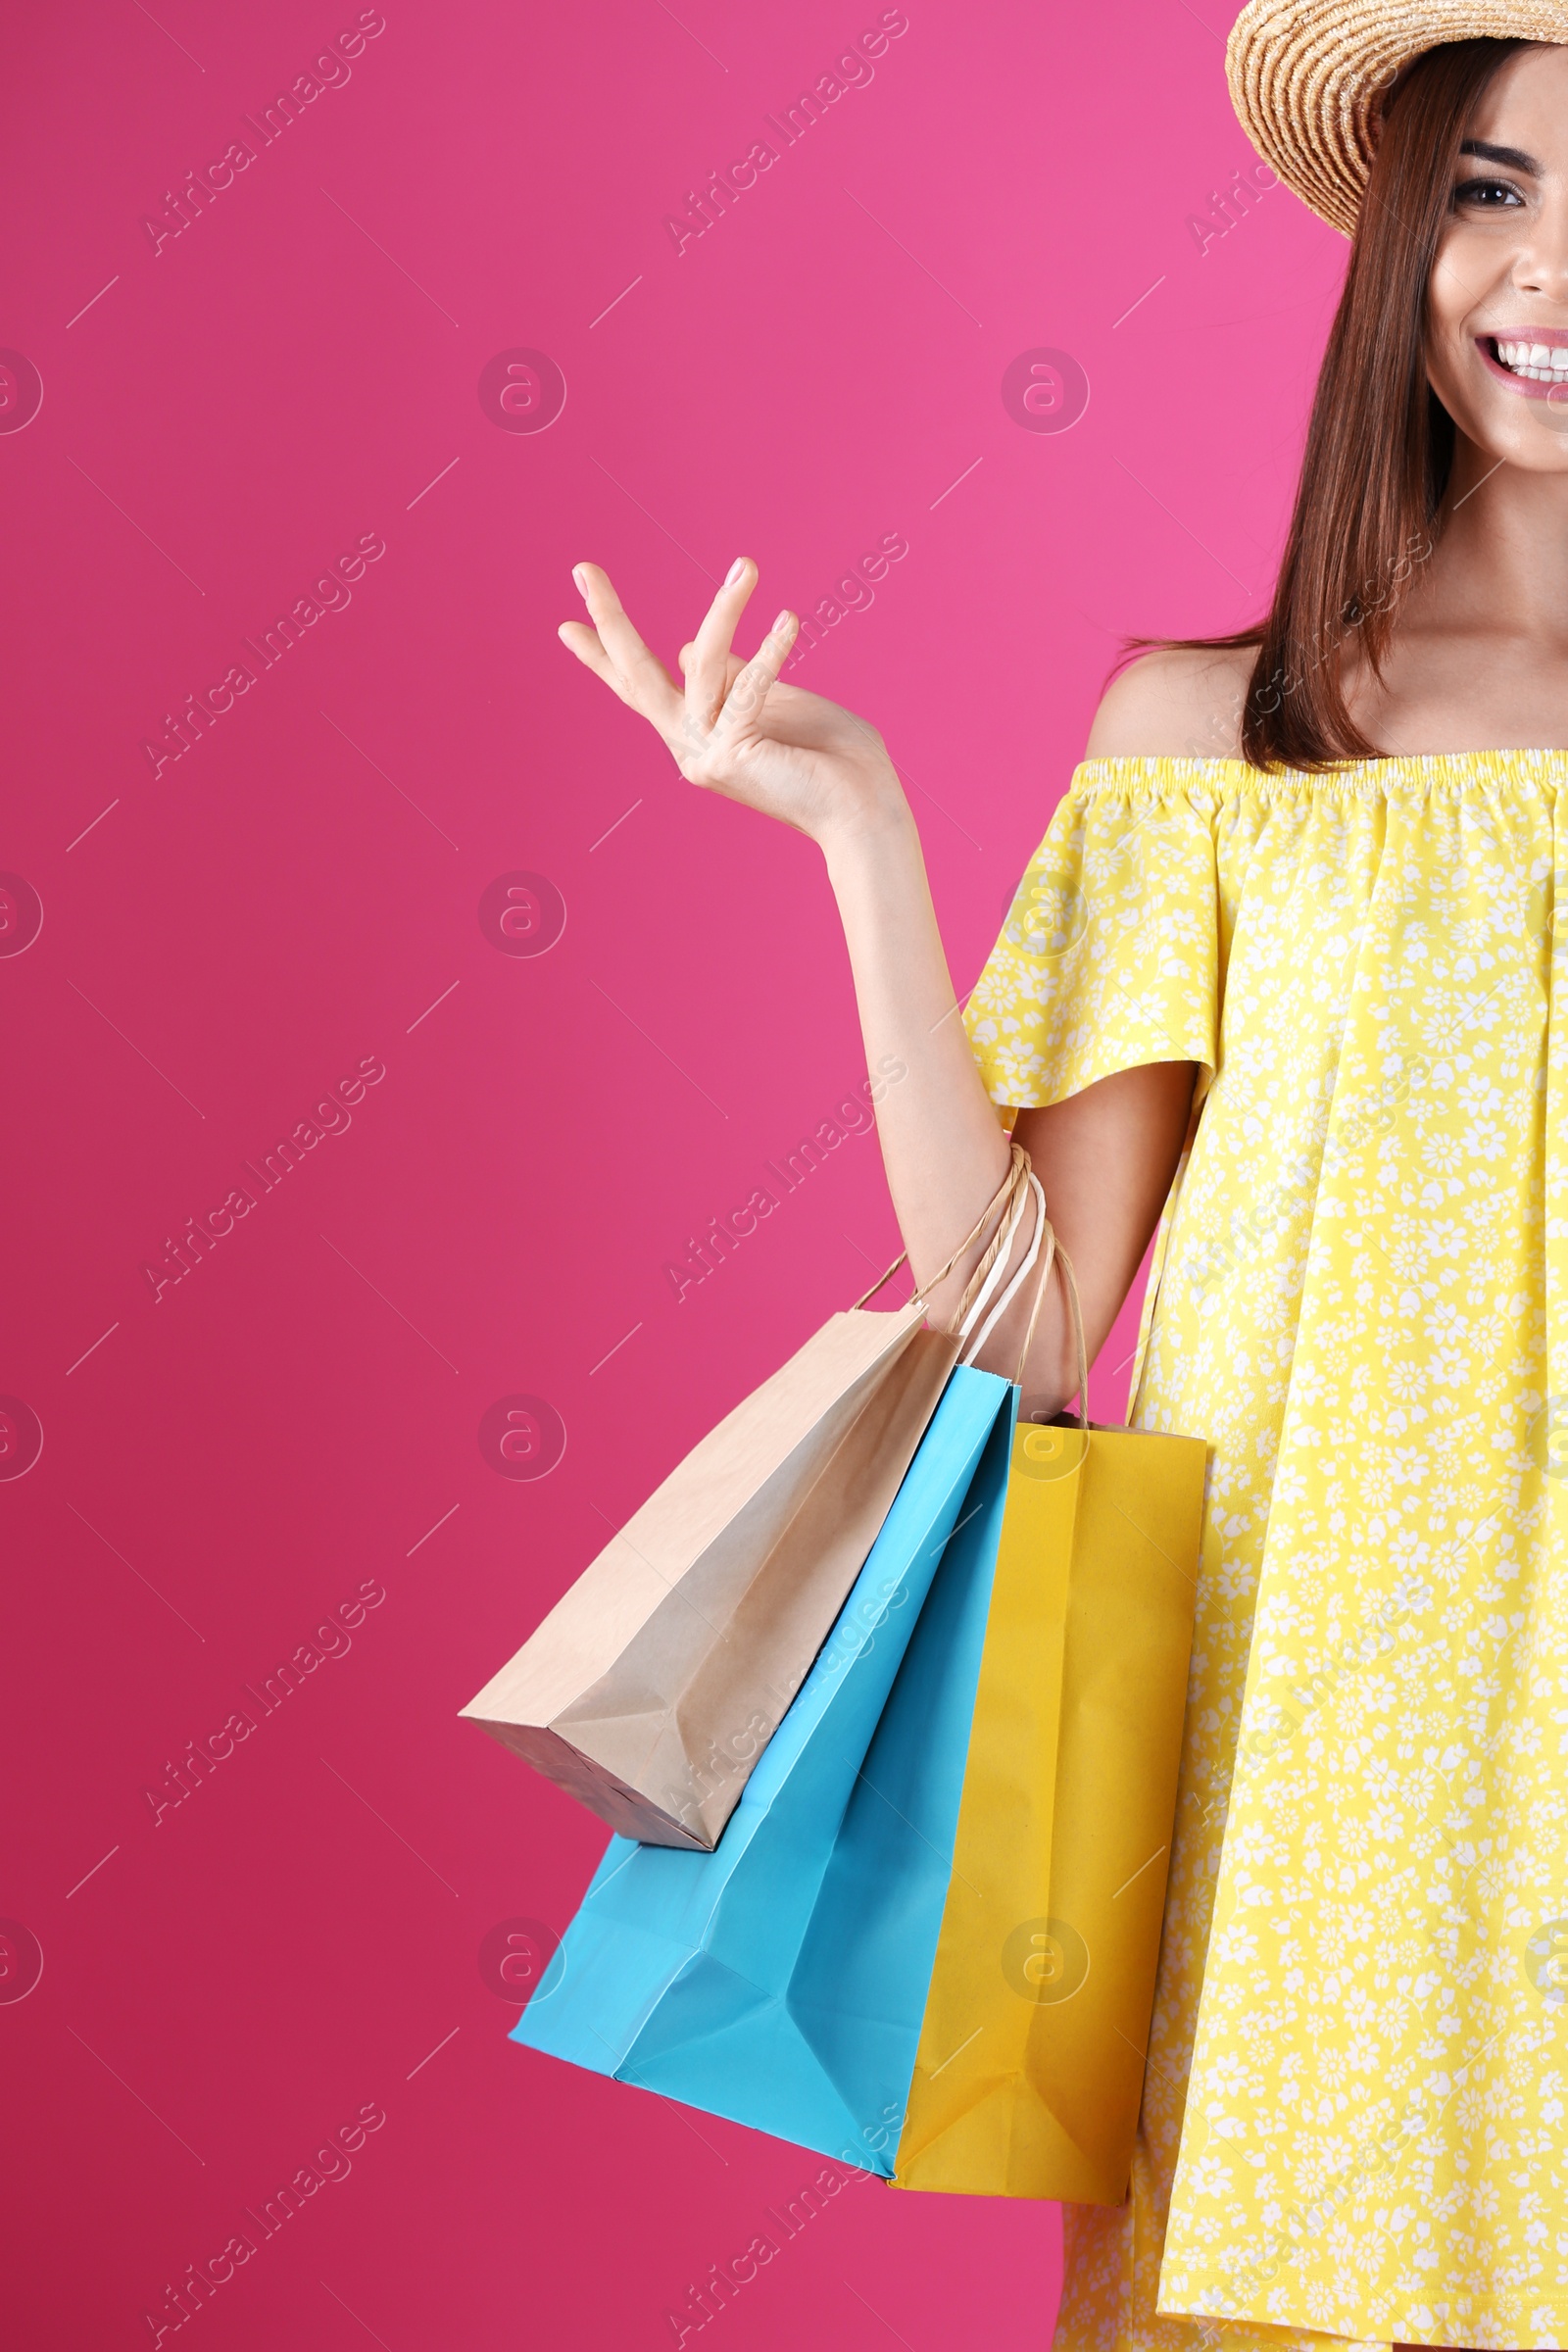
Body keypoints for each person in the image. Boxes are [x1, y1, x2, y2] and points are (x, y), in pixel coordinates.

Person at [557, 3, 1568, 2344]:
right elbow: (1015, 1318)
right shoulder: (1214, 732)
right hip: (1316, 1757)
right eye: (1495, 188)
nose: (1543, 269)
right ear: (1405, 230)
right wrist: (863, 840)